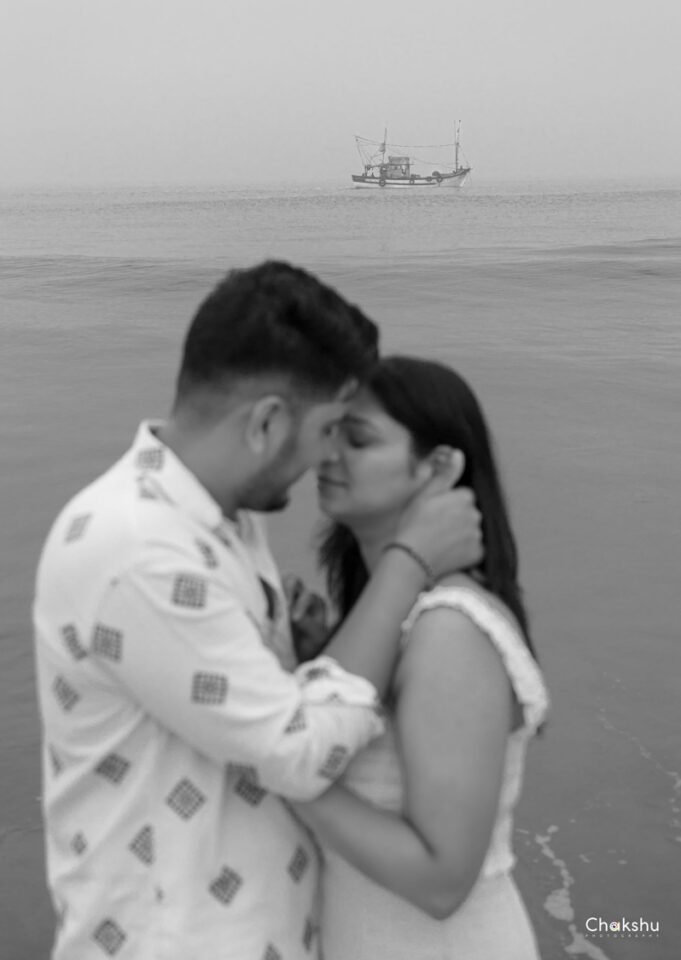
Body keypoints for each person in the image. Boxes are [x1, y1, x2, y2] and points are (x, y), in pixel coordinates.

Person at [32, 262, 482, 960]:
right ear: (267, 422)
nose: (329, 455)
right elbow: (295, 753)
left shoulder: (219, 518)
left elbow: (252, 709)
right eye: (331, 427)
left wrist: (305, 658)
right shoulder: (141, 549)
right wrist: (409, 562)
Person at [290, 355, 550, 960]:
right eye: (329, 433)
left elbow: (442, 880)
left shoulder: (450, 631)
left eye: (356, 440)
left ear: (438, 467)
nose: (326, 455)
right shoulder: (391, 618)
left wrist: (280, 766)